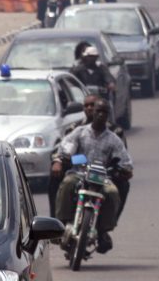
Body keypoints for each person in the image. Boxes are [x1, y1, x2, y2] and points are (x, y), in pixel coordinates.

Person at [52, 97, 133, 255]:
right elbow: (66, 148)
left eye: (104, 112)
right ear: (92, 113)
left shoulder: (114, 138)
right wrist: (60, 161)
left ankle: (103, 230)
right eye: (98, 111)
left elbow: (126, 161)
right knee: (67, 183)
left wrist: (126, 169)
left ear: (108, 115)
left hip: (102, 179)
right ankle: (61, 224)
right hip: (79, 174)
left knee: (113, 193)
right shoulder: (79, 132)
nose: (101, 115)